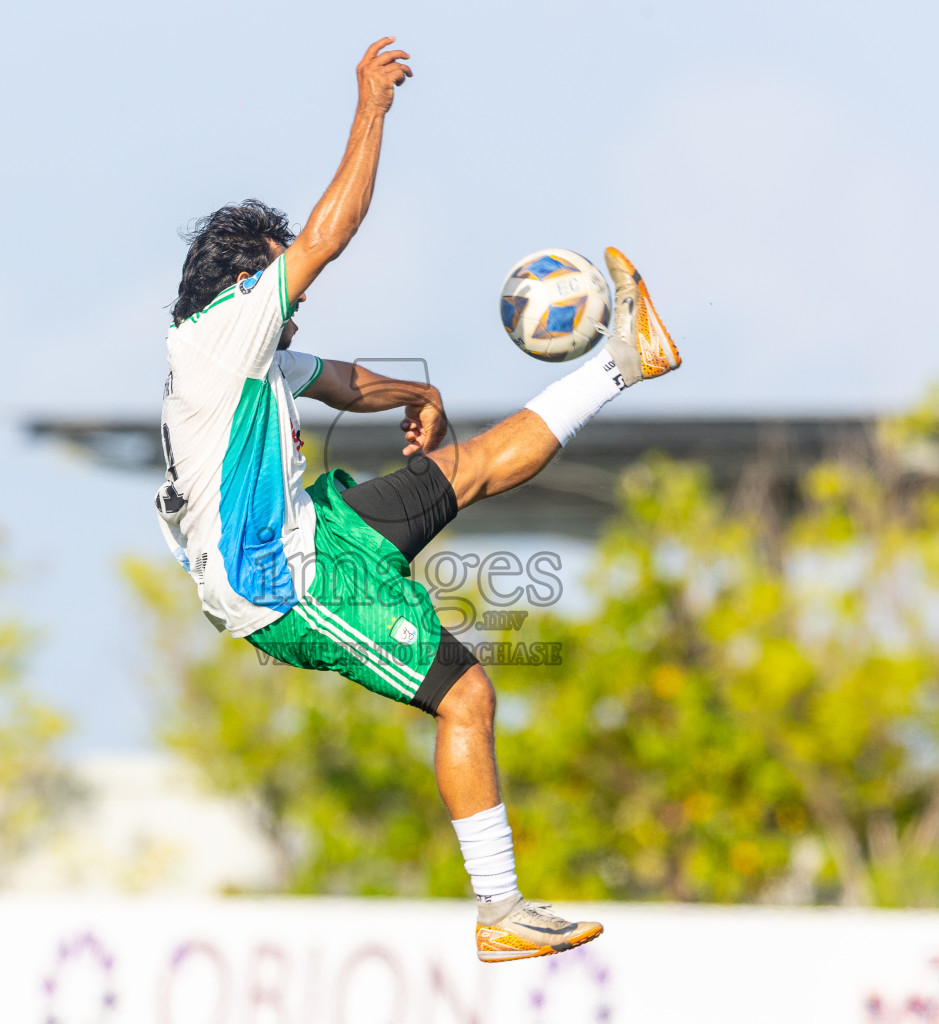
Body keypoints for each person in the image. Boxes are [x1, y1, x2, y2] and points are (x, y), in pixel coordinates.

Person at [155, 37, 680, 962]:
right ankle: (502, 912)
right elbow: (328, 236)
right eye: (281, 277)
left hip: (315, 532)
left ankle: (620, 362)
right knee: (467, 695)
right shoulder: (220, 336)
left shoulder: (244, 349)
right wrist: (371, 110)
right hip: (284, 586)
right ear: (247, 282)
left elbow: (338, 381)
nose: (297, 299)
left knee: (467, 467)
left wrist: (419, 397)